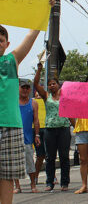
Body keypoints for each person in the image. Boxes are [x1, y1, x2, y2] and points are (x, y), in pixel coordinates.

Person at [0, 0, 54, 204]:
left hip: (11, 127)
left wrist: (44, 9)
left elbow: (31, 35)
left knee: (6, 176)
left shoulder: (10, 61)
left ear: (7, 44)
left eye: (1, 40)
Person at [34, 63, 73, 192]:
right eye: (50, 84)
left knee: (64, 157)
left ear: (58, 85)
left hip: (63, 129)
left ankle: (64, 183)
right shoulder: (46, 96)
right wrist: (39, 70)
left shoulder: (65, 97)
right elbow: (35, 85)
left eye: (54, 84)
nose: (51, 86)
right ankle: (49, 182)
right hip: (50, 130)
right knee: (50, 157)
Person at [13, 80, 41, 193]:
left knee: (30, 162)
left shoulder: (33, 103)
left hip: (28, 138)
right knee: (14, 163)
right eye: (22, 87)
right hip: (14, 136)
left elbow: (36, 120)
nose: (25, 90)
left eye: (27, 88)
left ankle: (33, 185)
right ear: (18, 88)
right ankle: (17, 186)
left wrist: (37, 135)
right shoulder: (13, 102)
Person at [33, 91, 47, 184]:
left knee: (49, 155)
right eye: (37, 94)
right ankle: (35, 177)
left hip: (48, 129)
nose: (38, 96)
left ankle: (52, 176)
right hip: (36, 130)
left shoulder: (47, 102)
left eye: (40, 94)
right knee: (40, 155)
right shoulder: (32, 102)